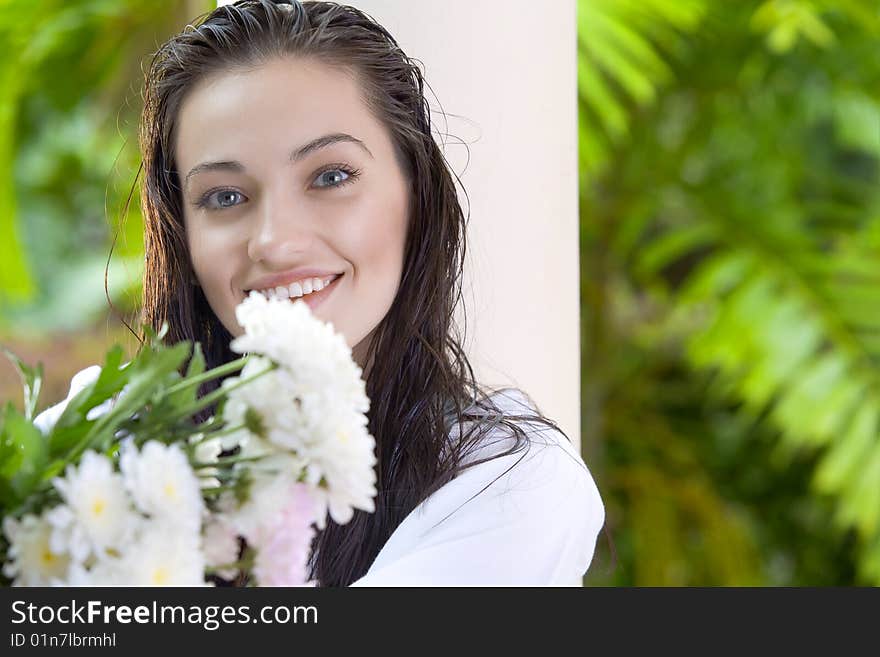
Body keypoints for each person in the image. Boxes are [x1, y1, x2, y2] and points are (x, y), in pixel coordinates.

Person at [36, 0, 605, 586]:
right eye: (225, 197)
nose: (274, 242)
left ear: (417, 193)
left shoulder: (512, 485)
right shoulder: (108, 440)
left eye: (330, 177)